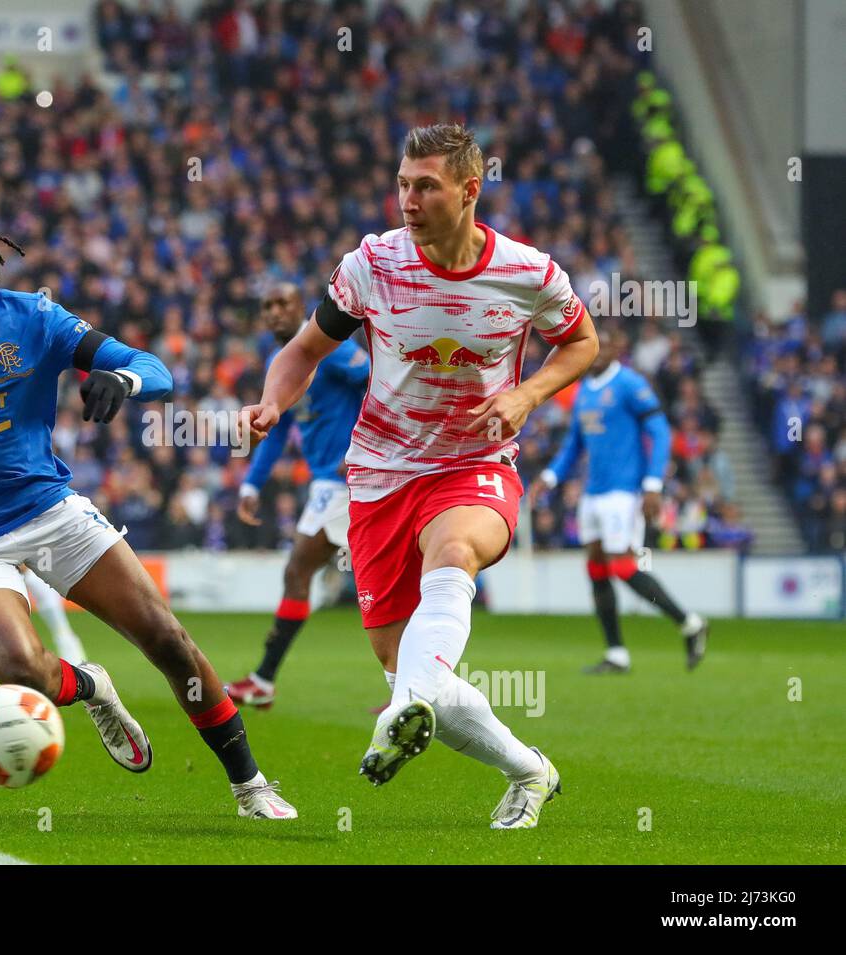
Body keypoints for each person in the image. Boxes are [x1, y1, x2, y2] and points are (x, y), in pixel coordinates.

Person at [0, 211, 296, 819]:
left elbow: (159, 372)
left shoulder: (34, 319)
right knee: (21, 669)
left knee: (168, 639)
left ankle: (251, 784)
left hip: (48, 512)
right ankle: (90, 687)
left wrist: (122, 379)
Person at [242, 125, 599, 829]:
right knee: (401, 661)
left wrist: (528, 394)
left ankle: (401, 714)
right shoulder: (372, 263)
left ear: (469, 191)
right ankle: (528, 768)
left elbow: (583, 341)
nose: (408, 198)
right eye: (404, 183)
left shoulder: (528, 272)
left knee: (455, 551)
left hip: (475, 464)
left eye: (426, 185)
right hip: (379, 472)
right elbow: (304, 348)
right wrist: (271, 400)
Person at [226, 282, 368, 707]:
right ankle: (417, 685)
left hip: (347, 480)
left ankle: (264, 680)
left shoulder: (333, 349)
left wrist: (365, 444)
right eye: (266, 304)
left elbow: (378, 383)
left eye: (281, 303)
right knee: (372, 578)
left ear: (301, 307)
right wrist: (252, 482)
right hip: (330, 482)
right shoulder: (282, 361)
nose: (273, 312)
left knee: (300, 571)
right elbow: (277, 428)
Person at [536, 331, 708, 672]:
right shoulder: (584, 390)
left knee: (624, 566)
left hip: (624, 492)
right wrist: (550, 476)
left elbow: (659, 431)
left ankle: (689, 622)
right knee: (597, 567)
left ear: (616, 348)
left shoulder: (630, 383)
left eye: (605, 345)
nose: (596, 353)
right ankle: (616, 653)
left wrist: (653, 485)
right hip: (594, 493)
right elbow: (574, 444)